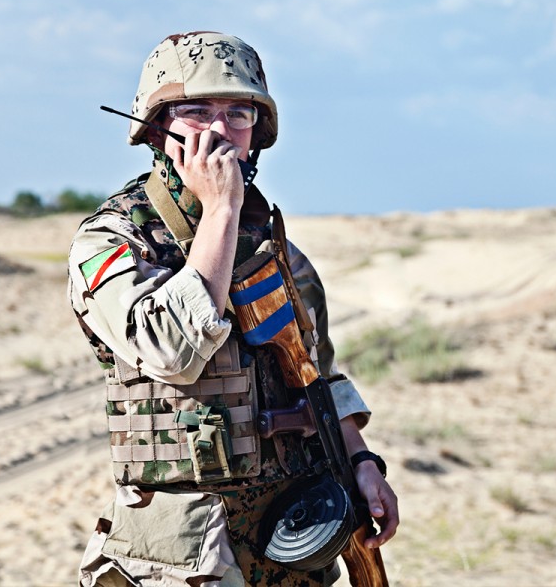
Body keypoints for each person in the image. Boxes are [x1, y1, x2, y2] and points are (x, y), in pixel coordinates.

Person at [68, 31, 398, 587]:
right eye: (196, 112)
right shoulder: (114, 240)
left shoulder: (273, 246)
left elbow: (317, 374)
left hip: (292, 537)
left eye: (238, 113)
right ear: (157, 128)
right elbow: (172, 352)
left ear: (257, 132)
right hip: (181, 556)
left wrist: (363, 463)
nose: (219, 130)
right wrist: (220, 208)